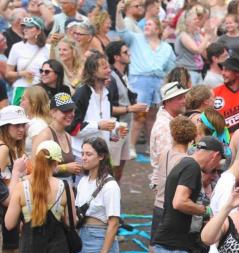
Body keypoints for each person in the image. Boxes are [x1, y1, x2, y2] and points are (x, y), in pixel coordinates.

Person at [144, 115, 197, 253]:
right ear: (192, 137)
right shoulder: (188, 162)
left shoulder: (167, 153)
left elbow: (157, 181)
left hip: (160, 208)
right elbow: (181, 199)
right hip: (174, 218)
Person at [115, 0, 176, 158]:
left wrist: (165, 84)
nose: (146, 27)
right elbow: (121, 31)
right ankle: (131, 147)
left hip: (157, 83)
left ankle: (151, 147)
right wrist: (118, 13)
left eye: (149, 25)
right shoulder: (136, 39)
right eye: (146, 24)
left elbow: (171, 67)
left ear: (158, 29)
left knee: (153, 117)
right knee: (138, 116)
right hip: (139, 81)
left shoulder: (166, 48)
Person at [0, 105, 29, 253]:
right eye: (16, 125)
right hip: (5, 216)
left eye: (23, 125)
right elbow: (7, 197)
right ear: (5, 127)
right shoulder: (3, 150)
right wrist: (19, 172)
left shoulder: (16, 150)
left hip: (11, 216)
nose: (21, 129)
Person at [105, 40, 148, 182]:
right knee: (112, 166)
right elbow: (108, 109)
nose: (129, 54)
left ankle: (115, 197)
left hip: (124, 127)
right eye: (125, 52)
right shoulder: (111, 77)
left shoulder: (123, 75)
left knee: (121, 164)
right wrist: (130, 108)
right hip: (115, 128)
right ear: (116, 57)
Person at [67, 52, 117, 164]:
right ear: (93, 71)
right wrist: (98, 126)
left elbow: (104, 122)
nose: (109, 70)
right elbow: (73, 128)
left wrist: (115, 132)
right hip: (82, 156)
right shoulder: (82, 94)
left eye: (109, 67)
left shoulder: (107, 92)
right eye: (104, 67)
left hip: (102, 156)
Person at [33, 93, 81, 184]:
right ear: (53, 112)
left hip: (67, 189)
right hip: (48, 190)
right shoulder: (45, 135)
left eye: (72, 110)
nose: (71, 114)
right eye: (66, 111)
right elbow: (35, 168)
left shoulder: (68, 136)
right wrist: (65, 168)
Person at [5, 16, 49, 105]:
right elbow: (8, 74)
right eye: (24, 27)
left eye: (29, 27)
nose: (25, 29)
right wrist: (22, 73)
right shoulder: (16, 47)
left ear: (39, 30)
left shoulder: (48, 48)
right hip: (21, 88)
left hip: (40, 89)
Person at [213, 57, 239, 133]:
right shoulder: (214, 93)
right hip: (222, 142)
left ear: (238, 73)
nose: (223, 73)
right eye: (223, 69)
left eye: (227, 70)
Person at [175, 5, 213, 85]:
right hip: (187, 72)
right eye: (195, 19)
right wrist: (207, 36)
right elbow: (197, 50)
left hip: (198, 71)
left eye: (198, 19)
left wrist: (210, 33)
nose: (197, 21)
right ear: (187, 21)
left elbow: (208, 47)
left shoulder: (196, 34)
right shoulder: (183, 35)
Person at [19, 85, 49, 154]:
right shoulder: (28, 120)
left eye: (23, 99)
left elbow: (38, 155)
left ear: (33, 103)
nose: (20, 101)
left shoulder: (37, 125)